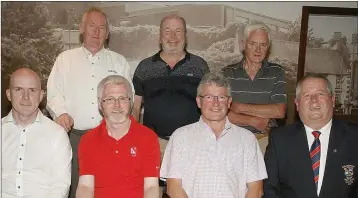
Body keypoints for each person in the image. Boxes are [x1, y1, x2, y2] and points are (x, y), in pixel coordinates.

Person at [46, 7, 132, 198]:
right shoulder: (65, 59)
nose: (96, 31)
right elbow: (53, 93)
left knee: (110, 188)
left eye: (102, 28)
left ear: (107, 34)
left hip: (111, 138)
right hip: (74, 137)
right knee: (77, 189)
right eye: (92, 26)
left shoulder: (119, 62)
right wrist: (60, 113)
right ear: (81, 29)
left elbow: (129, 97)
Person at [160, 72, 267, 198]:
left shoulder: (247, 139)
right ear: (199, 101)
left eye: (221, 97)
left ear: (229, 102)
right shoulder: (180, 137)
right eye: (209, 97)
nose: (216, 103)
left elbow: (256, 189)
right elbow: (173, 187)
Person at [263, 73, 358, 198]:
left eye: (320, 94)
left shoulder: (354, 137)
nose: (314, 100)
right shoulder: (280, 139)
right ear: (297, 104)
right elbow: (269, 188)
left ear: (333, 100)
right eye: (307, 95)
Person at [132, 14, 209, 161]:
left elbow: (209, 104)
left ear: (185, 36)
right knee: (153, 185)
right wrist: (134, 139)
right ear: (160, 37)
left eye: (178, 31)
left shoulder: (200, 66)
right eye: (167, 31)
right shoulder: (144, 67)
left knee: (189, 185)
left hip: (193, 145)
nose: (173, 36)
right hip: (154, 144)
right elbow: (135, 108)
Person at [76, 75, 160, 198]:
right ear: (100, 104)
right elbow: (86, 187)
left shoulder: (148, 137)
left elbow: (151, 187)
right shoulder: (88, 140)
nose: (117, 105)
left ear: (130, 102)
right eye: (110, 99)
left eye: (122, 98)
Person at [2, 68, 72, 198]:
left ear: (41, 95)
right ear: (8, 94)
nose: (26, 97)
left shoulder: (57, 134)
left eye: (32, 90)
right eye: (18, 89)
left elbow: (60, 186)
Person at [221, 23, 287, 137]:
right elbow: (219, 113)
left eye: (263, 45)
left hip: (266, 138)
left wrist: (239, 107)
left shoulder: (277, 72)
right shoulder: (227, 73)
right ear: (244, 44)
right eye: (253, 44)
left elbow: (279, 111)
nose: (258, 49)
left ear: (268, 47)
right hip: (233, 138)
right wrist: (254, 121)